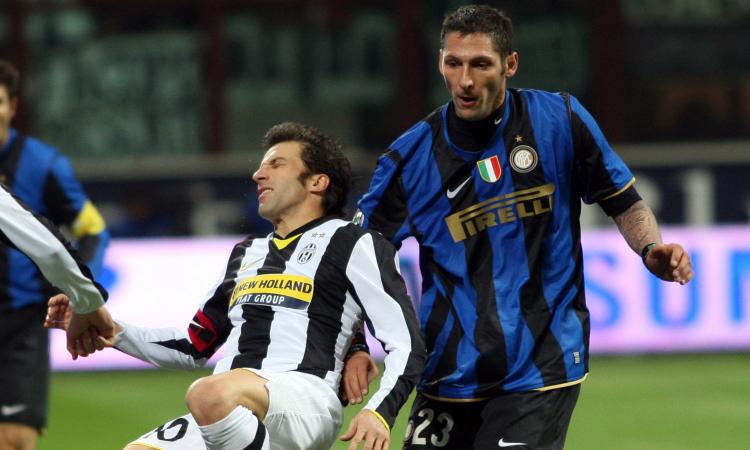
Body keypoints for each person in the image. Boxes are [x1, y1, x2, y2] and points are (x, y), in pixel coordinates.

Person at [348, 5, 694, 450]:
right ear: (440, 63)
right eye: (454, 63)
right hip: (448, 372)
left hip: (542, 366)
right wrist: (356, 342)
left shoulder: (561, 121)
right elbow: (356, 257)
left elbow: (623, 200)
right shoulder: (409, 158)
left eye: (480, 64)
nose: (466, 80)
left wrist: (651, 248)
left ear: (510, 64)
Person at [47, 122, 426, 450]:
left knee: (209, 393)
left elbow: (405, 342)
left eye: (276, 165)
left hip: (302, 399)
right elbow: (193, 346)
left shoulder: (354, 243)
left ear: (317, 182)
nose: (258, 175)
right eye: (260, 167)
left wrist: (380, 411)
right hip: (230, 408)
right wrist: (110, 330)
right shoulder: (246, 254)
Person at [0, 59, 110, 450]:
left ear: (12, 106)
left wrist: (85, 291)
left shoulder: (44, 166)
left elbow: (91, 229)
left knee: (12, 439)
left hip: (20, 321)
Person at [0, 184, 114, 355]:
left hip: (26, 312)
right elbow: (50, 250)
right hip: (26, 315)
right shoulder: (45, 161)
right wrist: (87, 301)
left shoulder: (45, 163)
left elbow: (94, 231)